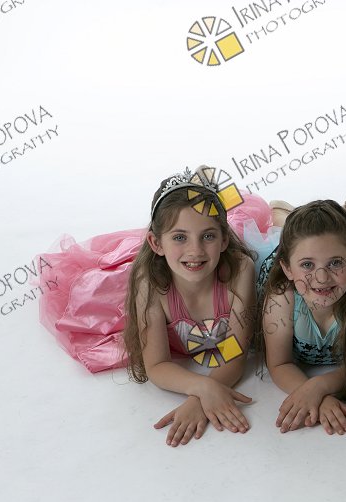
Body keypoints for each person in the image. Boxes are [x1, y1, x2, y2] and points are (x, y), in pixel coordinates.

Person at [37, 166, 257, 446]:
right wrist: (203, 387)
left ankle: (276, 210)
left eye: (209, 236)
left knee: (265, 222)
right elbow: (157, 365)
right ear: (155, 242)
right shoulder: (151, 283)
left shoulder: (240, 270)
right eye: (179, 237)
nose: (195, 250)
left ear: (224, 239)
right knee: (95, 290)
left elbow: (235, 354)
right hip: (162, 274)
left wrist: (197, 401)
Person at [231, 198, 346, 436]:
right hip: (291, 277)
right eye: (307, 265)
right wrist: (314, 394)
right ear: (287, 269)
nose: (322, 278)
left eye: (336, 262)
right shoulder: (282, 298)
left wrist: (318, 386)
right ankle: (280, 211)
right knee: (288, 233)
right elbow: (279, 363)